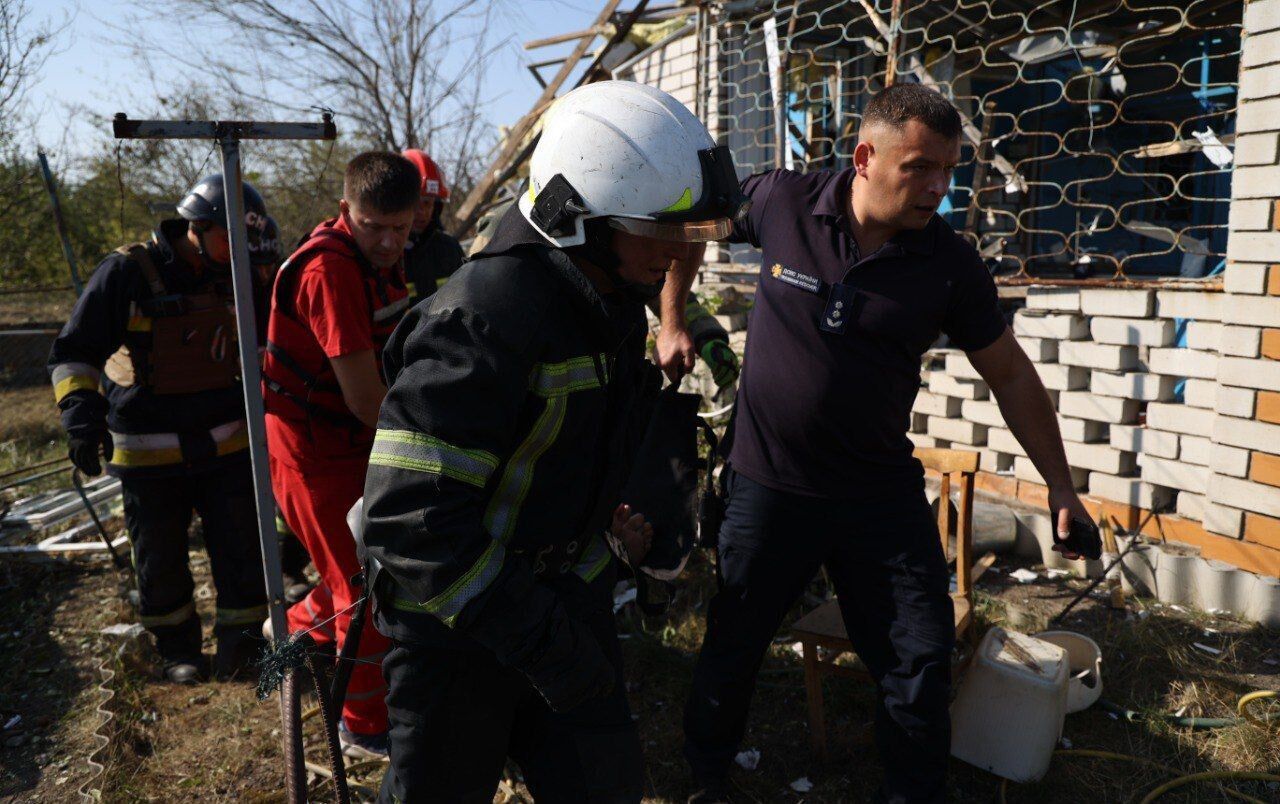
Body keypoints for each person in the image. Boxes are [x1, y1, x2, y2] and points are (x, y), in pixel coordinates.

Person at [676, 83, 1097, 803]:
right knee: (733, 645)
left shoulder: (948, 264)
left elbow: (1011, 375)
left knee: (920, 657)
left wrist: (1060, 487)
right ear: (866, 156)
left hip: (875, 495)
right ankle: (704, 778)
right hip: (767, 484)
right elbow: (692, 223)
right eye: (920, 168)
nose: (938, 188)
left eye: (949, 172)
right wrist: (670, 318)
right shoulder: (783, 201)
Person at [359, 80, 747, 803]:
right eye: (657, 226)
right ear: (579, 218)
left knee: (605, 786)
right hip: (456, 631)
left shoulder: (608, 300)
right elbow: (409, 519)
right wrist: (542, 641)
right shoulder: (484, 318)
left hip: (562, 604)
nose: (675, 249)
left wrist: (600, 536)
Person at [48, 175, 272, 684]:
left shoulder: (237, 275)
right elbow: (72, 353)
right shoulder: (126, 272)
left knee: (241, 549)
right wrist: (81, 418)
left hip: (227, 444)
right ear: (198, 226)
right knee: (160, 557)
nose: (237, 253)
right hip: (150, 454)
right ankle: (178, 651)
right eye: (227, 240)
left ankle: (242, 644)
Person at [260, 151, 418, 759]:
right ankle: (362, 727)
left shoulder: (390, 257)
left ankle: (293, 632)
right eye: (375, 226)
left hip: (351, 441)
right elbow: (363, 399)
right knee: (362, 588)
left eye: (401, 227)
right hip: (311, 449)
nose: (389, 241)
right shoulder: (329, 272)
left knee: (363, 569)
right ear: (346, 208)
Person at [400, 148, 465, 305]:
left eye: (427, 203)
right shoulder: (387, 252)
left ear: (437, 207)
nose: (421, 212)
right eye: (415, 204)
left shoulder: (449, 249)